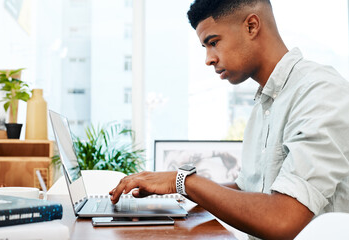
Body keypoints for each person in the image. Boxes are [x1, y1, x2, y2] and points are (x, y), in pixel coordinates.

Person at [110, 0, 349, 239]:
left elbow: (283, 219)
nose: (208, 59)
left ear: (252, 26)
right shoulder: (264, 105)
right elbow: (247, 190)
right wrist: (172, 193)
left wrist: (182, 181)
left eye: (213, 43)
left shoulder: (320, 91)